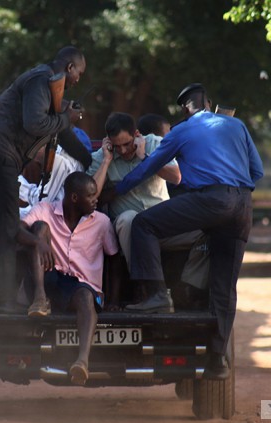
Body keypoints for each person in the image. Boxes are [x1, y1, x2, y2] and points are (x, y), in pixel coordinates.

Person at [114, 83, 264, 380]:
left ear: (186, 109)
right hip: (242, 206)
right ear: (208, 103)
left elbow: (148, 168)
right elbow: (256, 172)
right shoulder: (236, 125)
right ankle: (217, 359)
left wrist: (115, 189)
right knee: (224, 286)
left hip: (210, 200)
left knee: (144, 224)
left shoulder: (182, 131)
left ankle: (157, 295)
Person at [0, 46, 90, 313]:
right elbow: (35, 124)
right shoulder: (41, 79)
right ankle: (0, 302)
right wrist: (65, 118)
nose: (79, 79)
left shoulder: (47, 87)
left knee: (2, 226)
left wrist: (89, 159)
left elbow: (61, 133)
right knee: (5, 227)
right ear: (69, 68)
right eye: (79, 73)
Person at [87, 112, 208, 311]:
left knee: (208, 233)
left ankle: (188, 287)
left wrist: (145, 158)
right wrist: (107, 161)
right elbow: (90, 195)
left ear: (136, 134)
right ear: (108, 142)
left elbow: (176, 177)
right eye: (117, 146)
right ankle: (146, 287)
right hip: (133, 234)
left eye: (127, 144)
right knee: (129, 220)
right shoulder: (102, 156)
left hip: (164, 225)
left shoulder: (154, 144)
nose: (123, 151)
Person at [20, 172, 119, 384]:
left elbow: (114, 259)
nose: (96, 200)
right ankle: (39, 300)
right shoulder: (45, 209)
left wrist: (114, 300)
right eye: (91, 196)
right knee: (39, 228)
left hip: (80, 285)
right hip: (48, 277)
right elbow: (19, 230)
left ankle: (82, 362)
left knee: (85, 297)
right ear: (74, 198)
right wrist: (39, 242)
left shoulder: (102, 222)